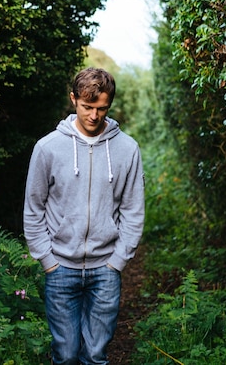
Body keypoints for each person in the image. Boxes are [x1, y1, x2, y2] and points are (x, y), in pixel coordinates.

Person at [23, 67, 145, 365]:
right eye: (87, 107)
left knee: (95, 355)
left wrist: (118, 260)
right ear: (73, 99)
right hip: (60, 266)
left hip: (106, 269)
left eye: (101, 108)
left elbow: (133, 209)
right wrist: (47, 260)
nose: (94, 115)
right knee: (65, 356)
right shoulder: (48, 148)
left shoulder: (127, 149)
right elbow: (33, 208)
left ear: (109, 105)